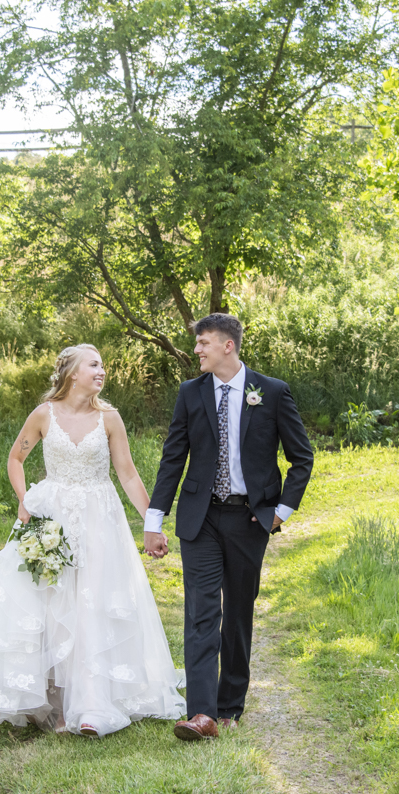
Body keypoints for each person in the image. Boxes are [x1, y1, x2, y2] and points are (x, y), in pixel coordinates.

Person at [0, 344, 185, 737]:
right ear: (73, 373)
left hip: (100, 518)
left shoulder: (109, 418)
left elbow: (128, 474)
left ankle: (93, 703)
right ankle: (54, 704)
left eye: (102, 366)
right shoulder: (44, 415)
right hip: (53, 517)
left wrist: (152, 523)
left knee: (93, 601)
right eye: (94, 365)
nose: (101, 372)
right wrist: (24, 502)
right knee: (50, 603)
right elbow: (16, 459)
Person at [145, 313, 314, 740]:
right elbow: (172, 458)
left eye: (203, 343)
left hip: (249, 518)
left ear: (228, 346)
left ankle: (229, 706)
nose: (196, 350)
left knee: (237, 612)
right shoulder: (190, 393)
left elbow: (301, 458)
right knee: (201, 611)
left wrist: (281, 511)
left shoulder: (271, 392)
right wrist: (154, 519)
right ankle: (200, 714)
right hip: (199, 518)